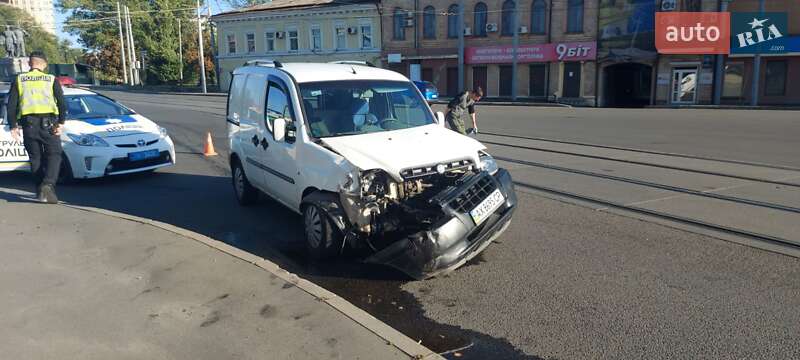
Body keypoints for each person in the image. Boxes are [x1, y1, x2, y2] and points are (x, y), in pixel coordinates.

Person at [8, 51, 67, 204]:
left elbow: (11, 105)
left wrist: (13, 125)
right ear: (45, 64)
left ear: (29, 63)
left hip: (29, 126)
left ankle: (40, 192)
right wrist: (61, 123)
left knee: (35, 159)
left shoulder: (19, 80)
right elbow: (62, 103)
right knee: (54, 155)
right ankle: (48, 184)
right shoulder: (50, 79)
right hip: (49, 125)